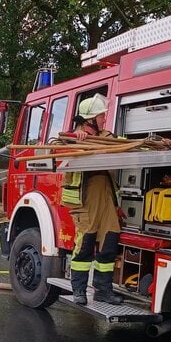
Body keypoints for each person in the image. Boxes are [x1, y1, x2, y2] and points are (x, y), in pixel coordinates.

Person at [61, 94, 123, 305]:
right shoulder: (72, 138)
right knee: (85, 244)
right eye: (101, 116)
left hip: (106, 197)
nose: (104, 119)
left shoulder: (105, 136)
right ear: (89, 119)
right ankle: (78, 290)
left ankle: (103, 290)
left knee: (109, 243)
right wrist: (77, 138)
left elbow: (116, 144)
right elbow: (61, 151)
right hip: (86, 198)